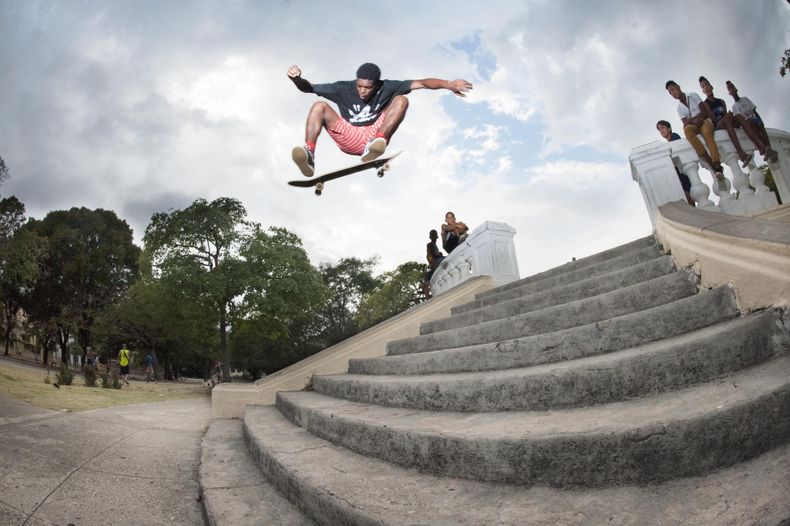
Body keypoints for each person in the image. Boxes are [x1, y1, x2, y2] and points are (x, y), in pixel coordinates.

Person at [287, 63, 473, 176]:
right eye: (359, 86)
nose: (362, 91)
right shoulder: (341, 88)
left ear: (377, 85)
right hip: (348, 134)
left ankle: (378, 143)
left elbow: (423, 83)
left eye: (367, 88)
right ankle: (309, 154)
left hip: (373, 134)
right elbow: (309, 88)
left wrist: (448, 84)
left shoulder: (388, 86)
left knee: (401, 100)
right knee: (318, 105)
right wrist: (297, 79)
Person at [665, 80, 726, 190]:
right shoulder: (679, 109)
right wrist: (694, 120)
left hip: (704, 121)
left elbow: (704, 111)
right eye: (670, 92)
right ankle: (711, 164)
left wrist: (698, 119)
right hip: (694, 125)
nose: (673, 93)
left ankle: (717, 164)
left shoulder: (693, 95)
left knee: (707, 133)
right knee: (687, 131)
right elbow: (685, 123)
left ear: (678, 86)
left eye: (673, 89)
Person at [698, 76, 753, 168]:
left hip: (726, 122)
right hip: (717, 127)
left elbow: (724, 115)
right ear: (703, 91)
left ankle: (761, 147)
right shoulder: (705, 104)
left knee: (738, 116)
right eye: (703, 86)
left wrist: (730, 115)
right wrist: (727, 117)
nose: (706, 87)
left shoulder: (721, 101)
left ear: (711, 87)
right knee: (727, 119)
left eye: (706, 85)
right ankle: (742, 154)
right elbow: (714, 120)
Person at [725, 80, 778, 163]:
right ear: (729, 93)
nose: (731, 89)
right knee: (751, 124)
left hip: (755, 120)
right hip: (748, 125)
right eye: (729, 89)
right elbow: (740, 121)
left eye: (732, 87)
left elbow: (754, 111)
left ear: (736, 89)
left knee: (761, 128)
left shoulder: (745, 99)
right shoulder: (734, 107)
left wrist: (761, 122)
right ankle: (765, 149)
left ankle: (768, 148)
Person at [656, 120, 695, 206]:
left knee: (689, 198)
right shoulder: (668, 143)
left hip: (683, 173)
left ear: (669, 128)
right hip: (678, 175)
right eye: (659, 129)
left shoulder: (674, 136)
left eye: (663, 127)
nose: (661, 131)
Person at [422, 229, 445, 298]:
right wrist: (432, 263)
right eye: (432, 235)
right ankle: (427, 298)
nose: (433, 236)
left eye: (434, 235)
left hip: (437, 262)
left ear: (437, 236)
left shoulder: (435, 246)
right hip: (435, 263)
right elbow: (429, 256)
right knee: (426, 281)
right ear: (430, 237)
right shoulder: (430, 245)